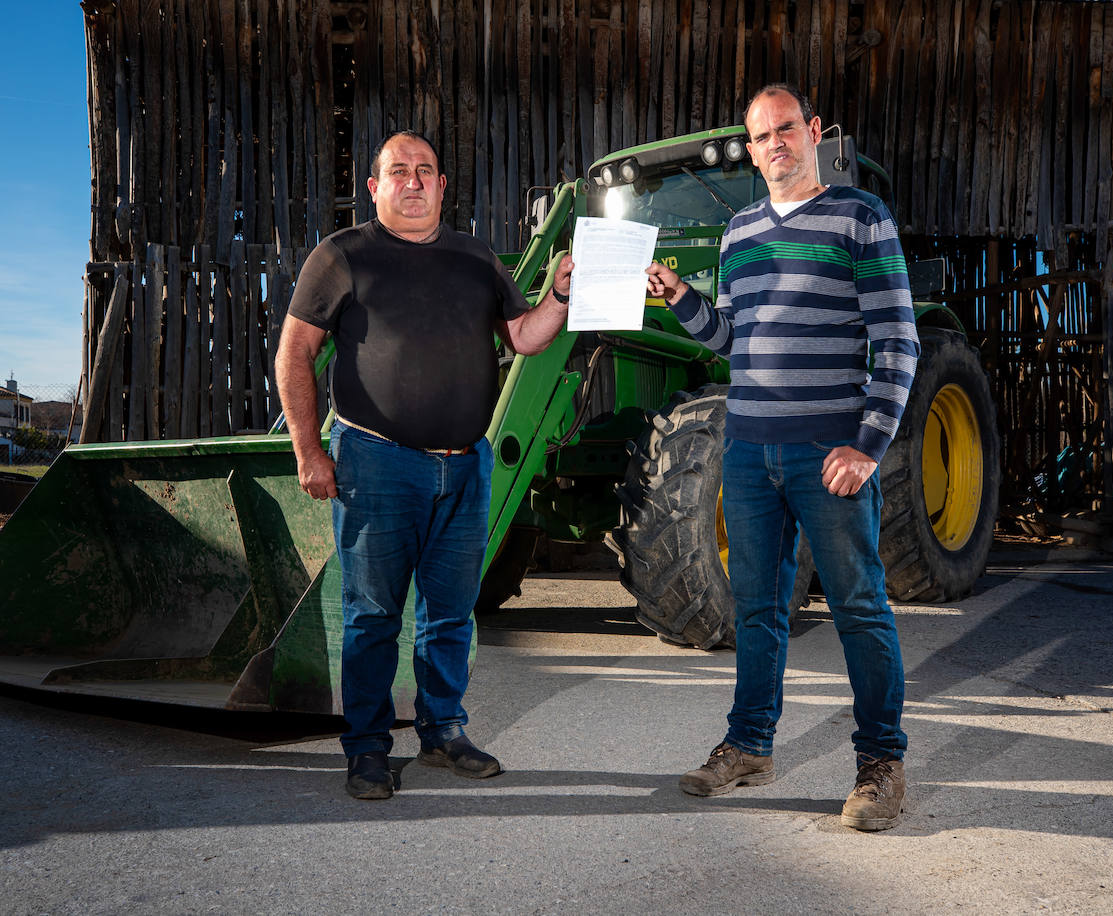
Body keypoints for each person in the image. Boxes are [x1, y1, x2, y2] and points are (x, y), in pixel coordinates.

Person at [645, 84, 919, 831]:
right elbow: (736, 338)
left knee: (859, 605)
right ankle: (750, 745)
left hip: (825, 453)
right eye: (761, 136)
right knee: (758, 608)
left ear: (815, 131)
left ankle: (881, 765)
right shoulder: (738, 233)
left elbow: (899, 342)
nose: (775, 144)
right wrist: (680, 299)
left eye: (786, 129)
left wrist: (867, 446)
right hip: (750, 450)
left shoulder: (860, 219)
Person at [275, 130, 573, 800]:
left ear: (442, 186)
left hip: (466, 467)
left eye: (426, 171)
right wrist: (308, 450)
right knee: (374, 612)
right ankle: (368, 749)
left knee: (451, 613)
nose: (413, 182)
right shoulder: (343, 255)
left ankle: (442, 731)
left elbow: (524, 336)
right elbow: (294, 354)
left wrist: (558, 294)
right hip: (377, 464)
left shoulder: (476, 258)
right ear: (375, 187)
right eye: (398, 172)